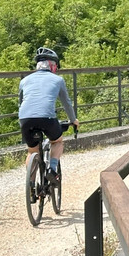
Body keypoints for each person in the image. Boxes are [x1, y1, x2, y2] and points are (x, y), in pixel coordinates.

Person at [18, 46, 79, 184]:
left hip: (25, 119)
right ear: (52, 65)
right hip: (47, 118)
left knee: (31, 151)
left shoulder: (24, 81)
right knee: (57, 141)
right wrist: (73, 120)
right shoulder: (58, 80)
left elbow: (20, 104)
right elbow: (66, 103)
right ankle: (52, 170)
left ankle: (31, 185)